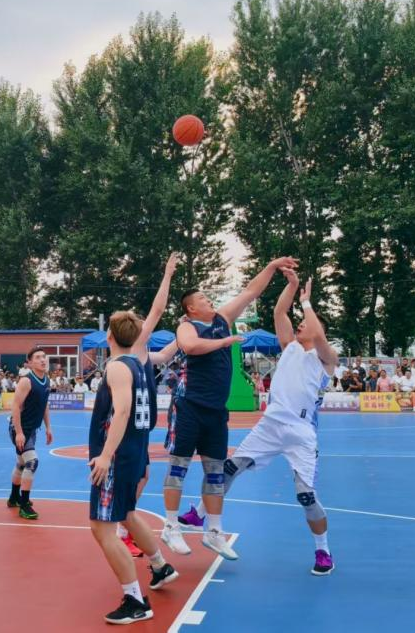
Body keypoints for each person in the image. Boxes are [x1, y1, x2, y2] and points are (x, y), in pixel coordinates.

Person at [188, 269, 340, 575]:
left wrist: (307, 303)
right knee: (229, 468)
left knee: (306, 496)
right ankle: (201, 513)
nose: (300, 324)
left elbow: (319, 336)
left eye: (306, 322)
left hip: (300, 432)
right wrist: (293, 285)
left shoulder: (326, 359)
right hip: (271, 424)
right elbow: (279, 312)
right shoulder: (290, 347)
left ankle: (323, 551)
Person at [164, 254, 297, 561]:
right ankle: (171, 526)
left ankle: (214, 531)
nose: (208, 300)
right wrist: (225, 342)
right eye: (202, 298)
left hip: (215, 411)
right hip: (189, 407)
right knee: (179, 467)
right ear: (191, 308)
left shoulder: (222, 319)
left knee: (215, 472)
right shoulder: (187, 327)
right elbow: (191, 347)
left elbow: (251, 291)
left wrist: (271, 266)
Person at [87, 307, 180, 625]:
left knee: (101, 528)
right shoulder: (140, 364)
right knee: (127, 513)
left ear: (109, 337)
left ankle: (135, 600)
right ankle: (160, 566)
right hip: (135, 451)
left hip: (118, 456)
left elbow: (123, 411)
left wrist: (105, 455)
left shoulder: (117, 367)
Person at [7, 347, 54, 520]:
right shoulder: (26, 381)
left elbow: (45, 405)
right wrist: (19, 433)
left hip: (32, 429)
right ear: (30, 362)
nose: (42, 360)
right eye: (38, 357)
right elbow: (15, 406)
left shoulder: (47, 380)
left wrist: (48, 427)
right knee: (32, 462)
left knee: (21, 464)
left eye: (44, 356)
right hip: (19, 429)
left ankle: (14, 498)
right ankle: (24, 505)